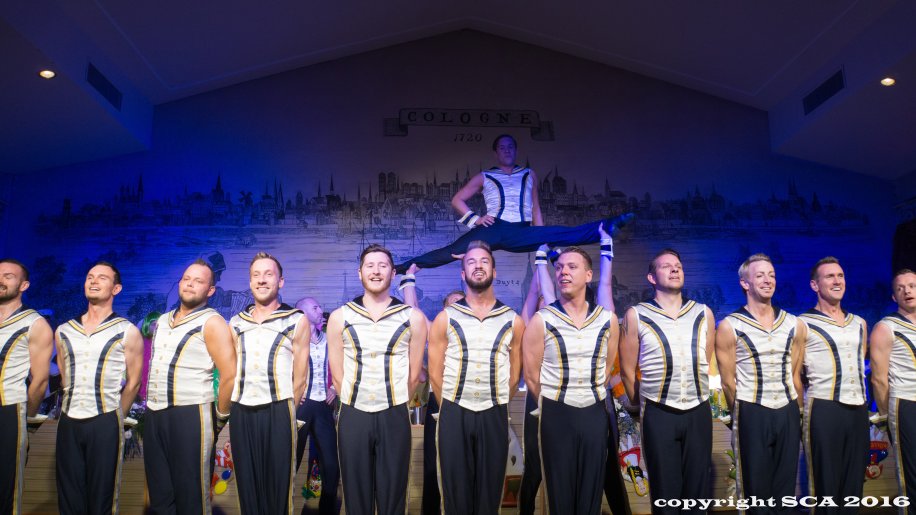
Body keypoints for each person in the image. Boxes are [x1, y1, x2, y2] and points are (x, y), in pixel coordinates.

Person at [394, 134, 633, 273]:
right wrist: (475, 220)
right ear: (496, 153)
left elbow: (535, 207)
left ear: (516, 151)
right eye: (502, 148)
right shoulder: (486, 176)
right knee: (451, 252)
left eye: (510, 147)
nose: (507, 151)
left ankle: (606, 226)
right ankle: (401, 268)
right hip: (493, 228)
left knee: (559, 233)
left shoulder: (529, 174)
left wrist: (540, 235)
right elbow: (457, 200)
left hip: (520, 230)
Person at [326, 244, 428, 514]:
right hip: (353, 412)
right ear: (360, 272)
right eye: (369, 266)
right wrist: (353, 399)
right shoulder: (340, 317)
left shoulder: (413, 318)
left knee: (393, 494)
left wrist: (395, 401)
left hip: (394, 412)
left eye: (383, 266)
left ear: (393, 273)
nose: (376, 271)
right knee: (355, 494)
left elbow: (414, 374)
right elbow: (337, 373)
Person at [427, 241, 524, 514]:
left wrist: (498, 402)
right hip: (454, 411)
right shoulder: (446, 318)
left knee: (490, 494)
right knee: (455, 494)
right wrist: (450, 407)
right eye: (471, 262)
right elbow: (435, 372)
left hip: (494, 411)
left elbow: (514, 373)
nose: (478, 266)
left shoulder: (512, 320)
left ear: (494, 271)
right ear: (463, 273)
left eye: (484, 261)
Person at [523, 247, 618, 514]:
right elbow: (531, 375)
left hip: (594, 412)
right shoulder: (542, 320)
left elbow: (607, 367)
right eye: (559, 267)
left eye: (572, 267)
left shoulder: (607, 320)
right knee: (560, 495)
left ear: (588, 275)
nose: (563, 272)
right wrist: (554, 404)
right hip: (556, 412)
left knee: (591, 492)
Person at [619, 249, 714, 515]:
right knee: (665, 493)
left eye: (678, 266)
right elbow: (627, 369)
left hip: (698, 409)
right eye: (666, 266)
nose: (674, 269)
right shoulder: (637, 314)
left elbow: (705, 359)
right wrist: (641, 404)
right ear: (651, 277)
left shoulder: (703, 312)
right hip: (659, 412)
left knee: (697, 493)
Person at [143, 259, 237, 514]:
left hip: (191, 413)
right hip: (155, 413)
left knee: (191, 497)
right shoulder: (163, 320)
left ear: (210, 290)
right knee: (159, 497)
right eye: (186, 279)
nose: (190, 284)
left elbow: (229, 374)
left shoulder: (213, 322)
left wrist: (220, 417)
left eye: (198, 281)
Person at [716, 254, 805, 514]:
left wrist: (798, 411)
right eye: (760, 275)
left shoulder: (794, 323)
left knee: (785, 486)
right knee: (755, 488)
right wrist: (742, 413)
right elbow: (728, 381)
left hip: (788, 409)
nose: (768, 280)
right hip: (751, 409)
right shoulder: (731, 325)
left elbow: (795, 374)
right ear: (745, 283)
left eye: (772, 275)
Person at [54, 261, 144, 514]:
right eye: (90, 277)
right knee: (68, 494)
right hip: (69, 420)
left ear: (116, 289)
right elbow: (64, 376)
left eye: (102, 278)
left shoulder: (126, 331)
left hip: (105, 419)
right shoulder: (64, 330)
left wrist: (116, 418)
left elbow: (134, 382)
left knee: (102, 495)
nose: (93, 281)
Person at [229, 252, 310, 515]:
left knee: (278, 490)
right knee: (247, 489)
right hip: (241, 409)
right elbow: (229, 370)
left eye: (268, 274)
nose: (262, 280)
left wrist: (288, 412)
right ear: (250, 281)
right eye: (256, 275)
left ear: (280, 281)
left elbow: (300, 377)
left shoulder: (296, 320)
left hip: (279, 409)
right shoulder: (236, 322)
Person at [796, 257, 869, 514]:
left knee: (854, 482)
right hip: (824, 407)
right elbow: (795, 373)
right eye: (829, 276)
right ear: (815, 285)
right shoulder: (802, 323)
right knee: (825, 483)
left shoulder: (859, 323)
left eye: (840, 276)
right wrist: (800, 411)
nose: (837, 281)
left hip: (858, 408)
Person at [399, 265, 463, 515]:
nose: (457, 307)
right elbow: (413, 312)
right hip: (440, 400)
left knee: (464, 465)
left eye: (461, 303)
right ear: (444, 311)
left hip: (470, 402)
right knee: (432, 465)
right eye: (451, 304)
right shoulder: (439, 332)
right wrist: (409, 278)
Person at [0, 259, 53, 515]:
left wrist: (26, 418)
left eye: (8, 276)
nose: (0, 280)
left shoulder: (35, 324)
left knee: (5, 489)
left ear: (24, 285)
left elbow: (40, 380)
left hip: (9, 410)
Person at [870, 268, 916, 511]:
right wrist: (887, 418)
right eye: (901, 288)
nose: (907, 291)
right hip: (906, 404)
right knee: (912, 474)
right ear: (893, 296)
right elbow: (879, 379)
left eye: (912, 286)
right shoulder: (885, 327)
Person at [294, 296, 340, 515]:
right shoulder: (292, 341)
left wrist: (335, 388)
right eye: (315, 307)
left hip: (323, 407)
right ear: (303, 313)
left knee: (331, 465)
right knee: (290, 463)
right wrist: (292, 391)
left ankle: (327, 511)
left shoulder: (330, 339)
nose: (320, 310)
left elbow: (344, 366)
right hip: (301, 406)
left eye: (320, 306)